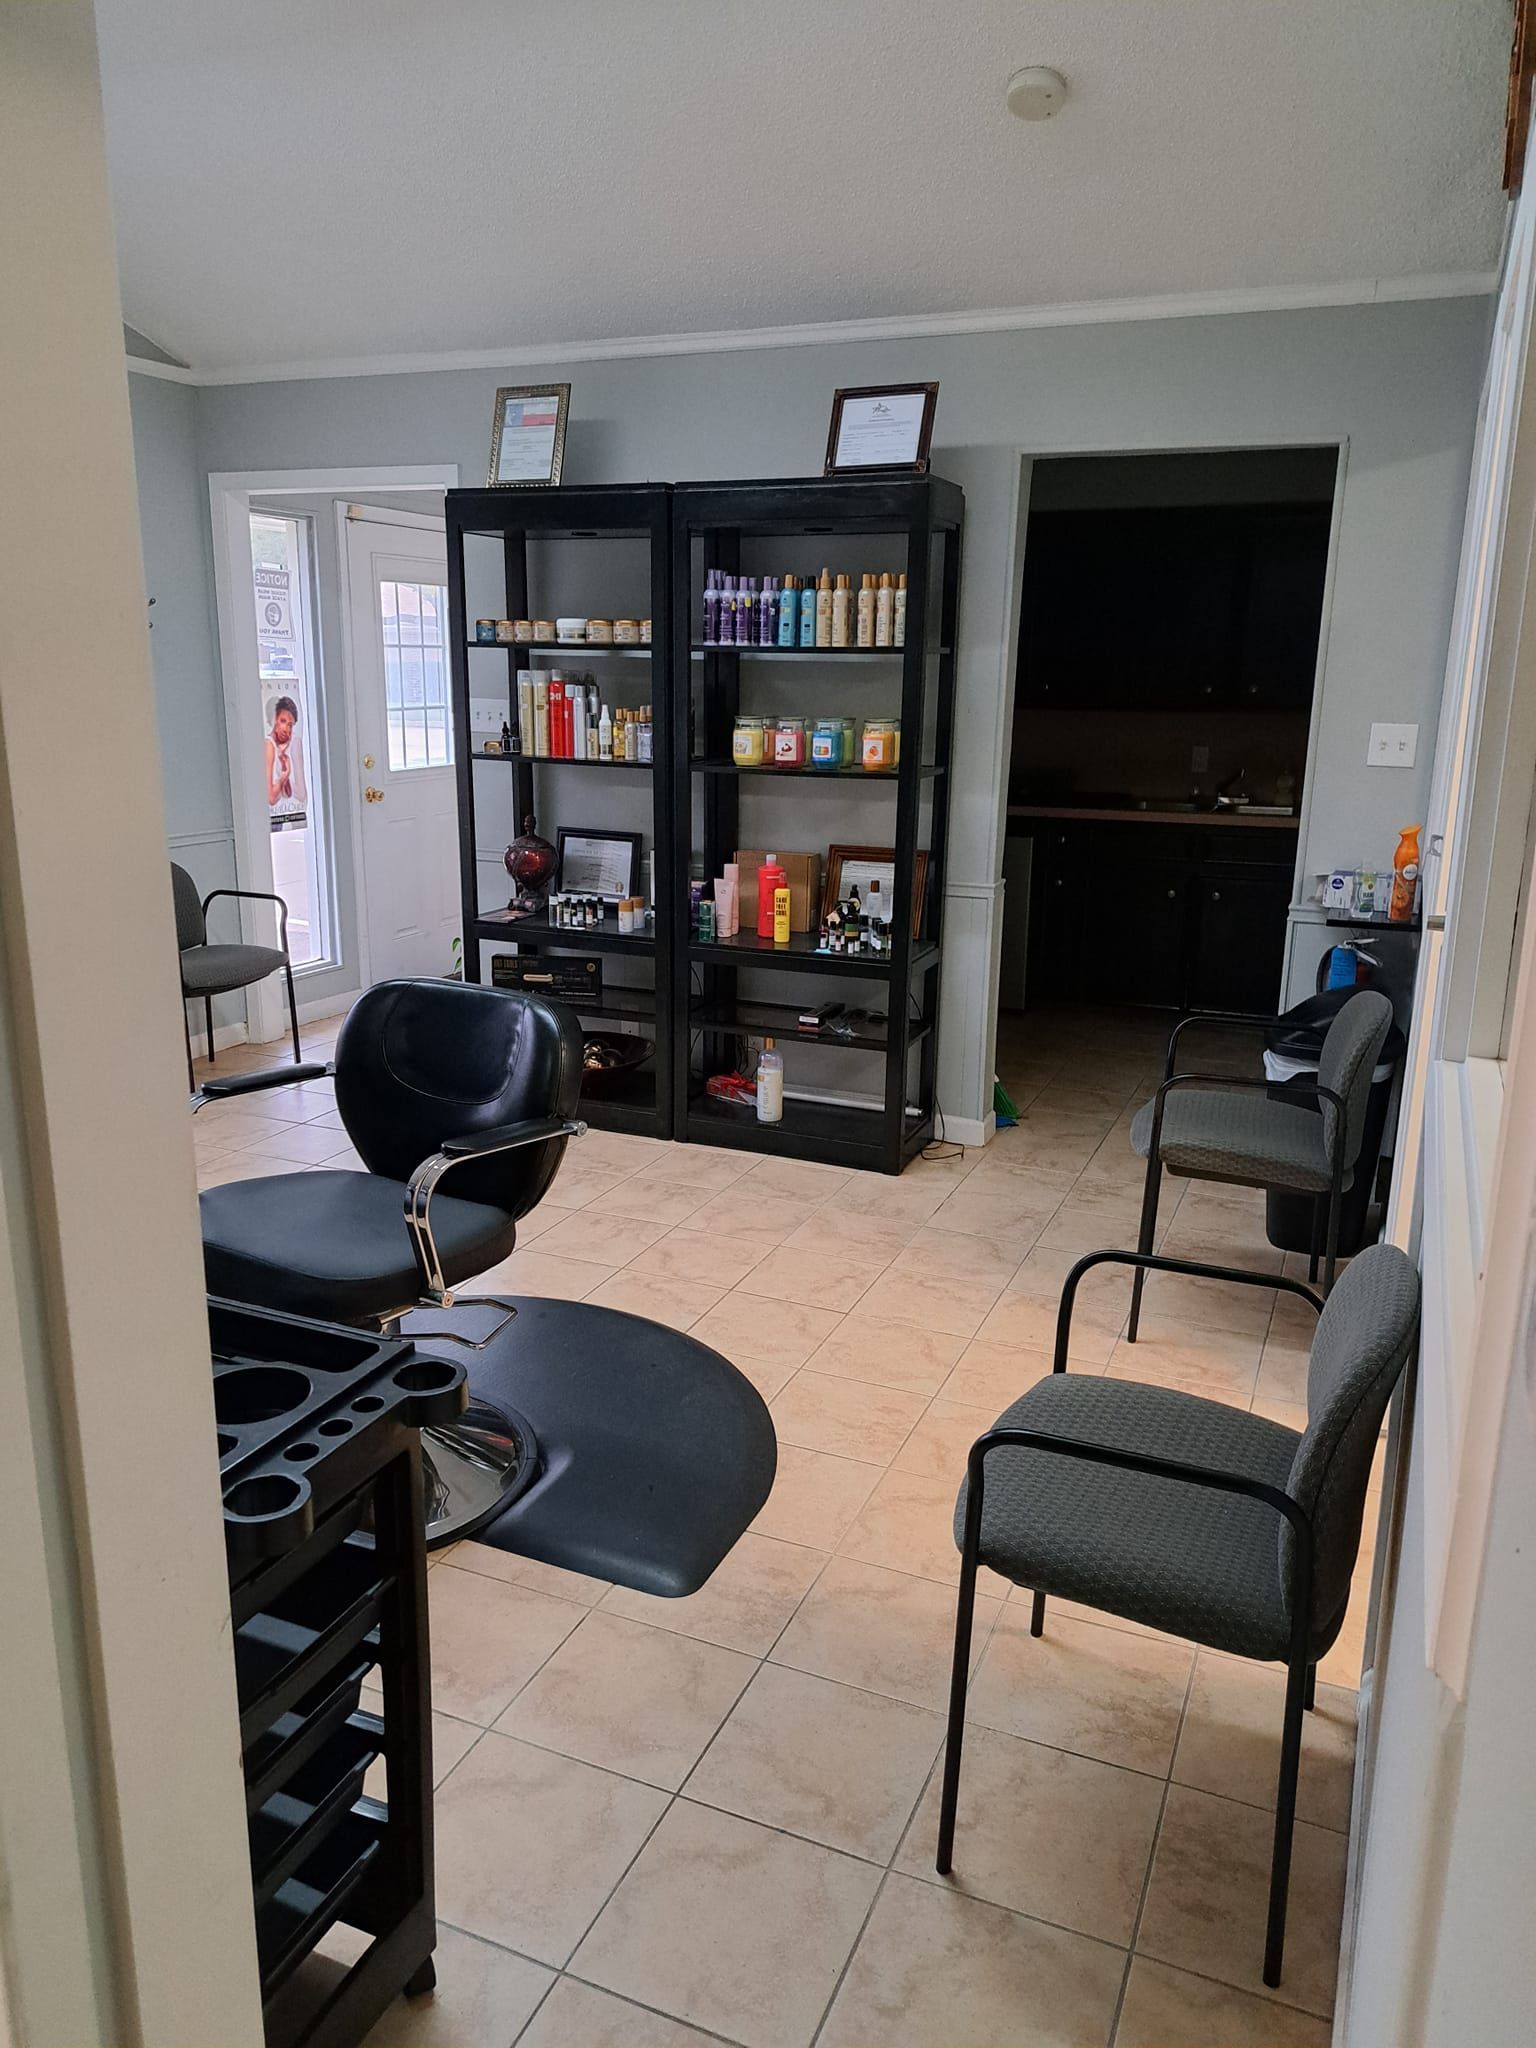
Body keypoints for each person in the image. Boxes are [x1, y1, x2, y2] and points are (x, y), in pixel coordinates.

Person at [266, 695, 305, 810]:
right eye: (283, 721)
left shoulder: (293, 743)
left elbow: (301, 794)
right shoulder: (269, 745)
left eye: (290, 725)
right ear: (275, 720)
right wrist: (284, 776)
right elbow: (271, 798)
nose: (286, 729)